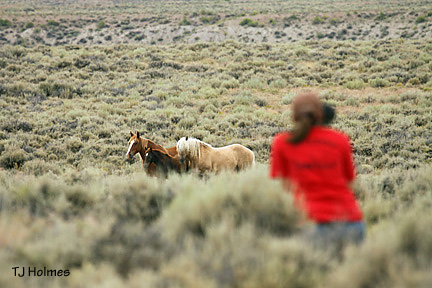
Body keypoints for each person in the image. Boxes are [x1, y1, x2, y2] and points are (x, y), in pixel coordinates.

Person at [270, 91, 365, 250]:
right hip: (351, 223)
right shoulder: (340, 139)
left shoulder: (282, 143)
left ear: (294, 116)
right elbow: (350, 181)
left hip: (310, 224)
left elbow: (280, 186)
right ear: (320, 114)